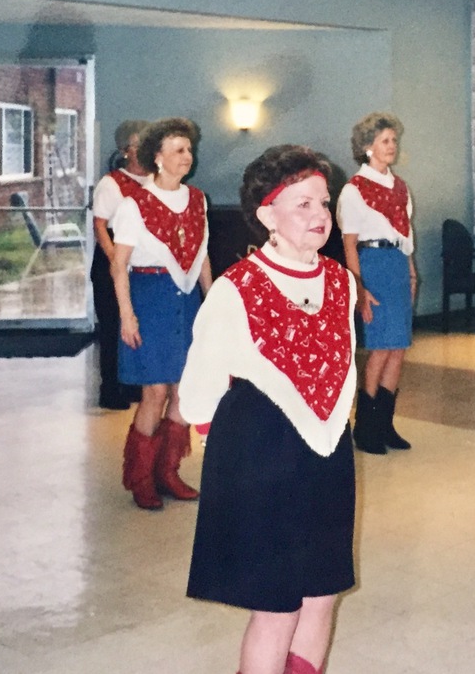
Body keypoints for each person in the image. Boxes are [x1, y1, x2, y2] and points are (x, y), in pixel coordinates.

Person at [181, 145, 356, 674]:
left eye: (324, 203)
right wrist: (232, 461)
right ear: (266, 215)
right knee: (277, 608)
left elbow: (342, 366)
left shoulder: (342, 281)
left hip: (328, 451)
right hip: (260, 454)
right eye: (302, 204)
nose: (320, 216)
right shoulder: (237, 289)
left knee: (323, 593)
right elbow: (198, 391)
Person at [110, 117, 211, 510]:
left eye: (188, 149)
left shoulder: (197, 199)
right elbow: (119, 266)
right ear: (157, 157)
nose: (187, 157)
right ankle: (141, 478)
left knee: (184, 389)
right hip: (149, 298)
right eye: (178, 150)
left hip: (186, 301)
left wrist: (212, 303)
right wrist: (126, 315)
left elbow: (202, 257)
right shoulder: (134, 205)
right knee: (154, 391)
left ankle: (168, 472)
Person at [338, 112, 416, 454]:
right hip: (372, 267)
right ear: (367, 148)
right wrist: (359, 287)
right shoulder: (354, 191)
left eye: (394, 141)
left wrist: (412, 271)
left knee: (398, 348)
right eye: (385, 141)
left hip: (397, 266)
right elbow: (349, 244)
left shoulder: (400, 187)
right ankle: (365, 428)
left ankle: (385, 425)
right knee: (380, 348)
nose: (392, 147)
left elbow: (404, 235)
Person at [91, 119, 150, 410]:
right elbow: (100, 225)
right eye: (140, 144)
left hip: (141, 261)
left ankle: (135, 384)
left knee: (138, 324)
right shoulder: (111, 183)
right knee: (114, 325)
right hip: (111, 257)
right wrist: (116, 260)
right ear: (126, 150)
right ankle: (112, 389)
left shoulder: (156, 181)